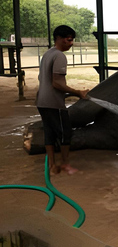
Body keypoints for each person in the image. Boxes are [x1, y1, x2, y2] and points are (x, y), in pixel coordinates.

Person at [36, 25, 89, 175]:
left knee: (49, 133)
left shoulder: (47, 54)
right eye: (68, 40)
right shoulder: (59, 56)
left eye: (72, 40)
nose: (71, 43)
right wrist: (77, 92)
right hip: (54, 103)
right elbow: (57, 83)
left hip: (42, 101)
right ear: (59, 38)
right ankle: (65, 164)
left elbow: (43, 79)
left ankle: (52, 165)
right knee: (65, 133)